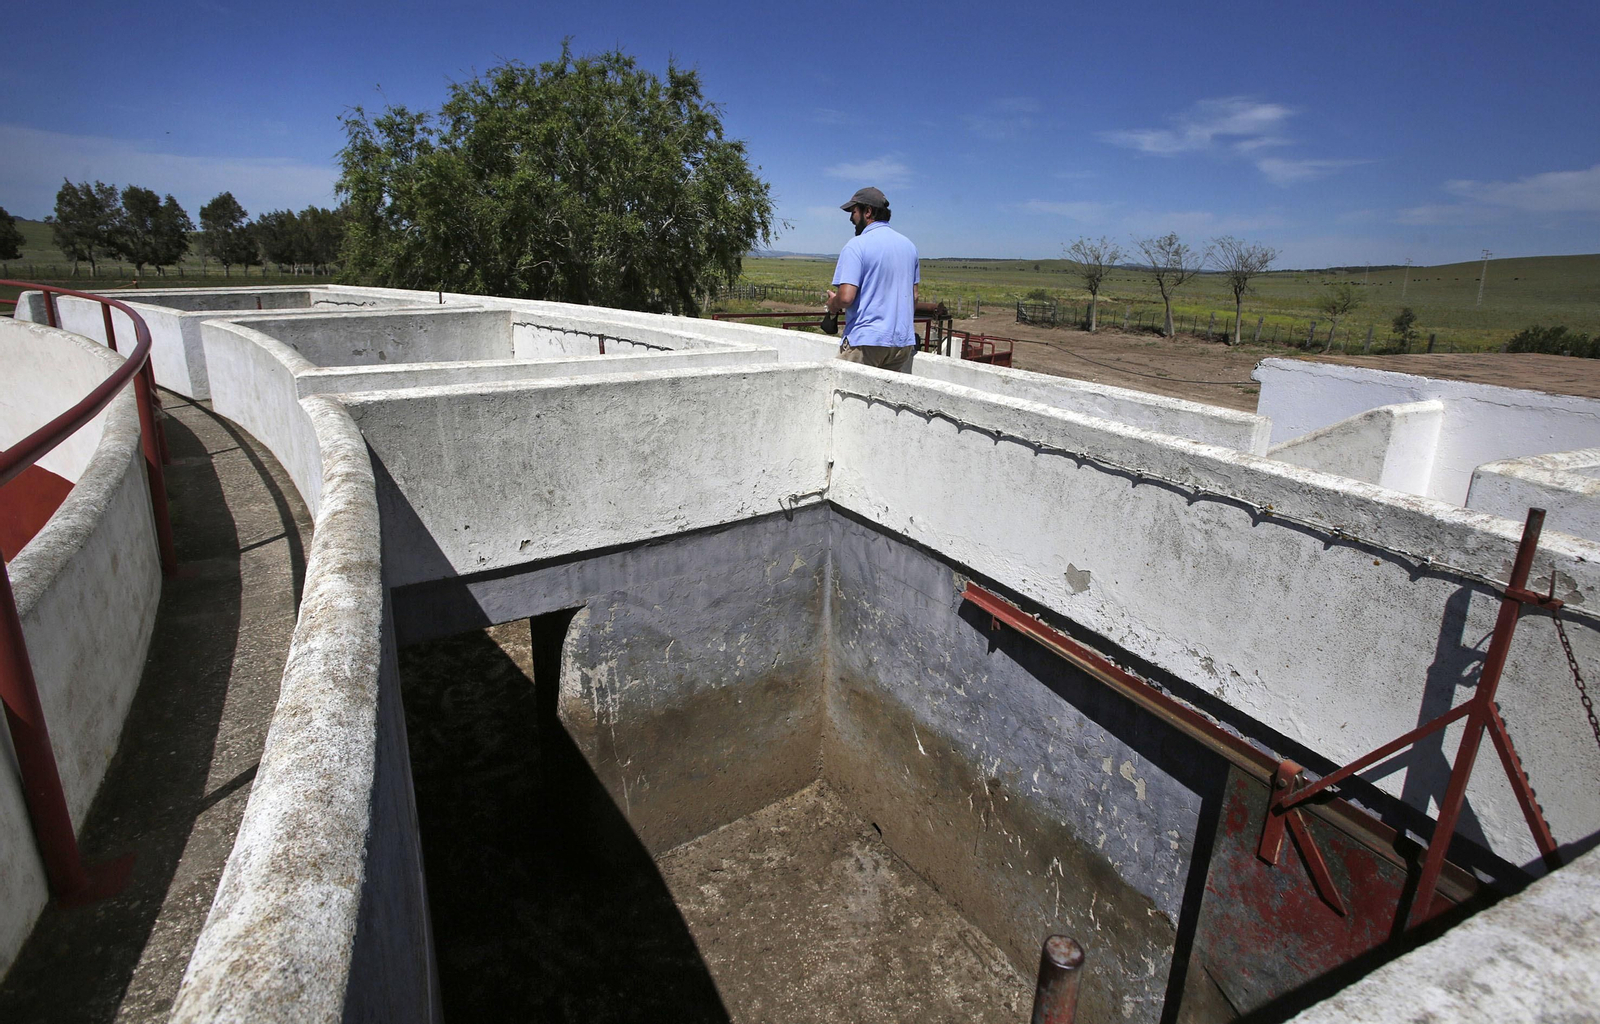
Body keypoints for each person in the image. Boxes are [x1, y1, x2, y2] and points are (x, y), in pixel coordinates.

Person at [824, 186, 920, 373]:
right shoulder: (909, 247)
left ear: (868, 212)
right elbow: (914, 297)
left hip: (866, 342)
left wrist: (832, 304)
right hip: (901, 344)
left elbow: (845, 297)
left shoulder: (856, 245)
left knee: (845, 397)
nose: (851, 218)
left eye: (854, 212)